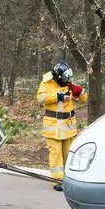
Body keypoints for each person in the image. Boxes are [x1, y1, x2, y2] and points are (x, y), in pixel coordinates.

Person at [37, 61, 86, 191]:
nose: (66, 81)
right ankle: (57, 180)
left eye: (67, 79)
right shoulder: (46, 84)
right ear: (58, 77)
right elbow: (40, 98)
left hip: (68, 127)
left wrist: (80, 92)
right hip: (53, 127)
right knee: (56, 154)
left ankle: (69, 178)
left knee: (68, 153)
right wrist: (57, 96)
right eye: (64, 78)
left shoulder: (68, 85)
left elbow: (84, 99)